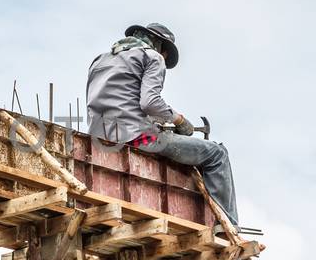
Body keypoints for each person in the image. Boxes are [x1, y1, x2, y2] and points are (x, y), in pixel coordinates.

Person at [85, 22, 239, 229]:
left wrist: (157, 121)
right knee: (217, 154)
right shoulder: (152, 57)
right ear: (162, 48)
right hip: (137, 137)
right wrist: (179, 120)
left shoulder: (100, 60)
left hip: (98, 138)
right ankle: (227, 224)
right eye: (165, 56)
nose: (164, 60)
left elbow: (118, 101)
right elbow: (150, 102)